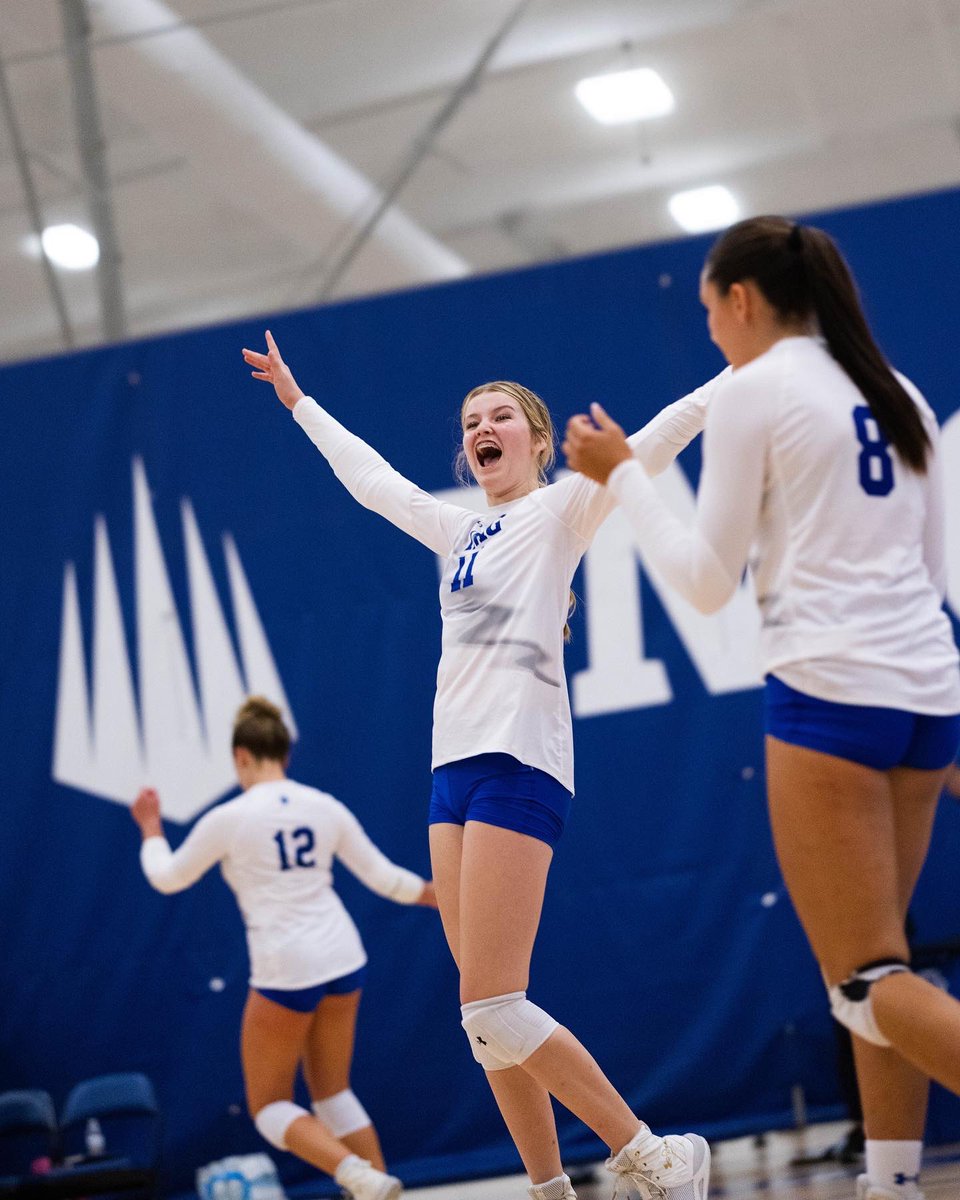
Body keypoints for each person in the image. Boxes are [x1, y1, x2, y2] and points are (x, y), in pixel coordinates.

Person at [242, 331, 722, 1200]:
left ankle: (654, 1156)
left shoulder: (562, 508)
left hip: (518, 761)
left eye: (501, 415)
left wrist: (748, 368)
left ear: (537, 440)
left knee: (494, 1005)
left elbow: (662, 433)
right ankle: (548, 1189)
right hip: (450, 773)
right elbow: (374, 483)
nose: (482, 427)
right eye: (471, 421)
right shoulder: (460, 528)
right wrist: (298, 402)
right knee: (484, 1024)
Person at [562, 215, 960, 1200]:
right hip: (927, 696)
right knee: (882, 962)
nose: (709, 333)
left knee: (864, 981)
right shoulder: (892, 388)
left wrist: (624, 479)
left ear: (742, 300)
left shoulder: (756, 392)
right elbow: (936, 572)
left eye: (709, 312)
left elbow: (704, 581)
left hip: (831, 693)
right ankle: (893, 1180)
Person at [131, 695, 437, 1200]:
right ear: (285, 755)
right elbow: (388, 881)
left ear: (242, 757)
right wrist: (439, 896)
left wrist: (150, 828)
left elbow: (167, 878)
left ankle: (358, 1175)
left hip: (286, 965)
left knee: (270, 1107)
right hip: (343, 955)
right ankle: (373, 1181)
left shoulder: (228, 818)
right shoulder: (324, 806)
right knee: (334, 1094)